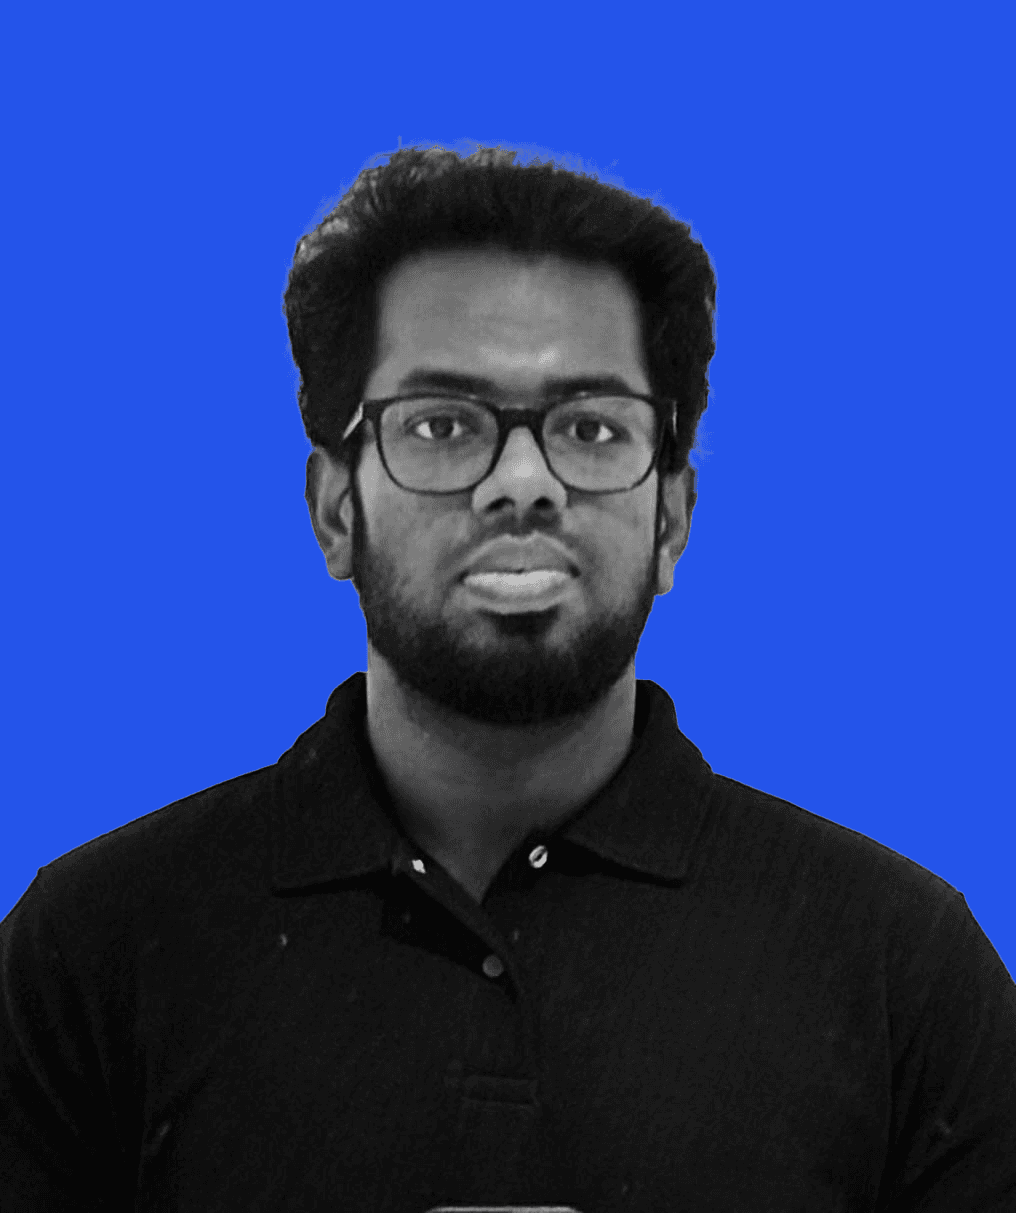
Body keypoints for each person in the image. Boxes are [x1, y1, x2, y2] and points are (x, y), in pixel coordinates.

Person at [1, 145, 1013, 1212]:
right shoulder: (95, 951)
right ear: (336, 510)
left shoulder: (902, 971)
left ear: (671, 519)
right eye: (442, 425)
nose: (521, 483)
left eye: (591, 427)